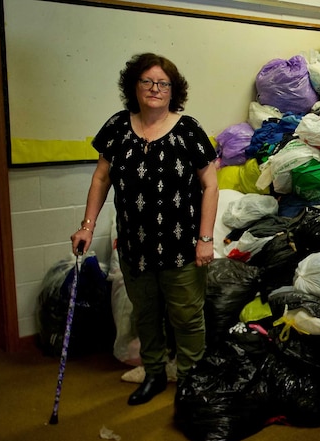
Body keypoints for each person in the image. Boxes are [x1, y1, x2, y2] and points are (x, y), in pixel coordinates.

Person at [71, 53, 219, 406]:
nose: (155, 89)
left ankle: (189, 380)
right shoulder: (118, 127)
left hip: (182, 246)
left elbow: (210, 185)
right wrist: (87, 227)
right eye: (147, 82)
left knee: (186, 316)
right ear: (134, 87)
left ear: (173, 91)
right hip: (135, 247)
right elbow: (101, 178)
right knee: (146, 316)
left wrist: (205, 239)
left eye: (163, 83)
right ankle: (153, 374)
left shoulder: (188, 130)